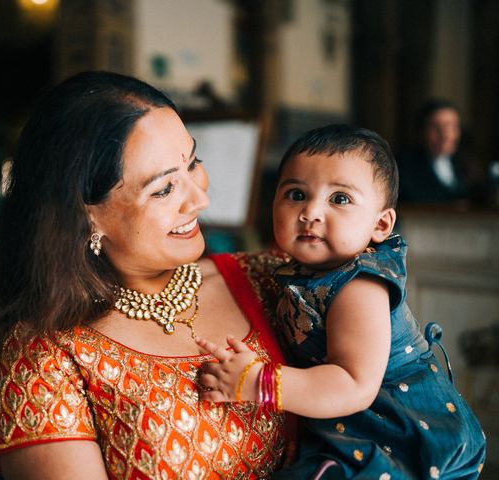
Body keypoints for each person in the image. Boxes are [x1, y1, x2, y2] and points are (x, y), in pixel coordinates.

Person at [0, 70, 298, 479]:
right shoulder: (47, 355)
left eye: (193, 163)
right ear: (85, 215)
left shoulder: (267, 280)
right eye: (163, 189)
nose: (200, 198)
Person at [196, 125, 486, 479]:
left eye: (340, 199)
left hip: (396, 435)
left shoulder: (360, 286)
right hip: (346, 426)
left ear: (380, 224)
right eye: (296, 194)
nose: (311, 212)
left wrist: (260, 381)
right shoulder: (295, 270)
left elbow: (353, 384)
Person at [396, 99, 470, 203]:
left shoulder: (466, 164)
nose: (445, 135)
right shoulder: (404, 166)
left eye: (452, 127)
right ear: (422, 131)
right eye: (436, 127)